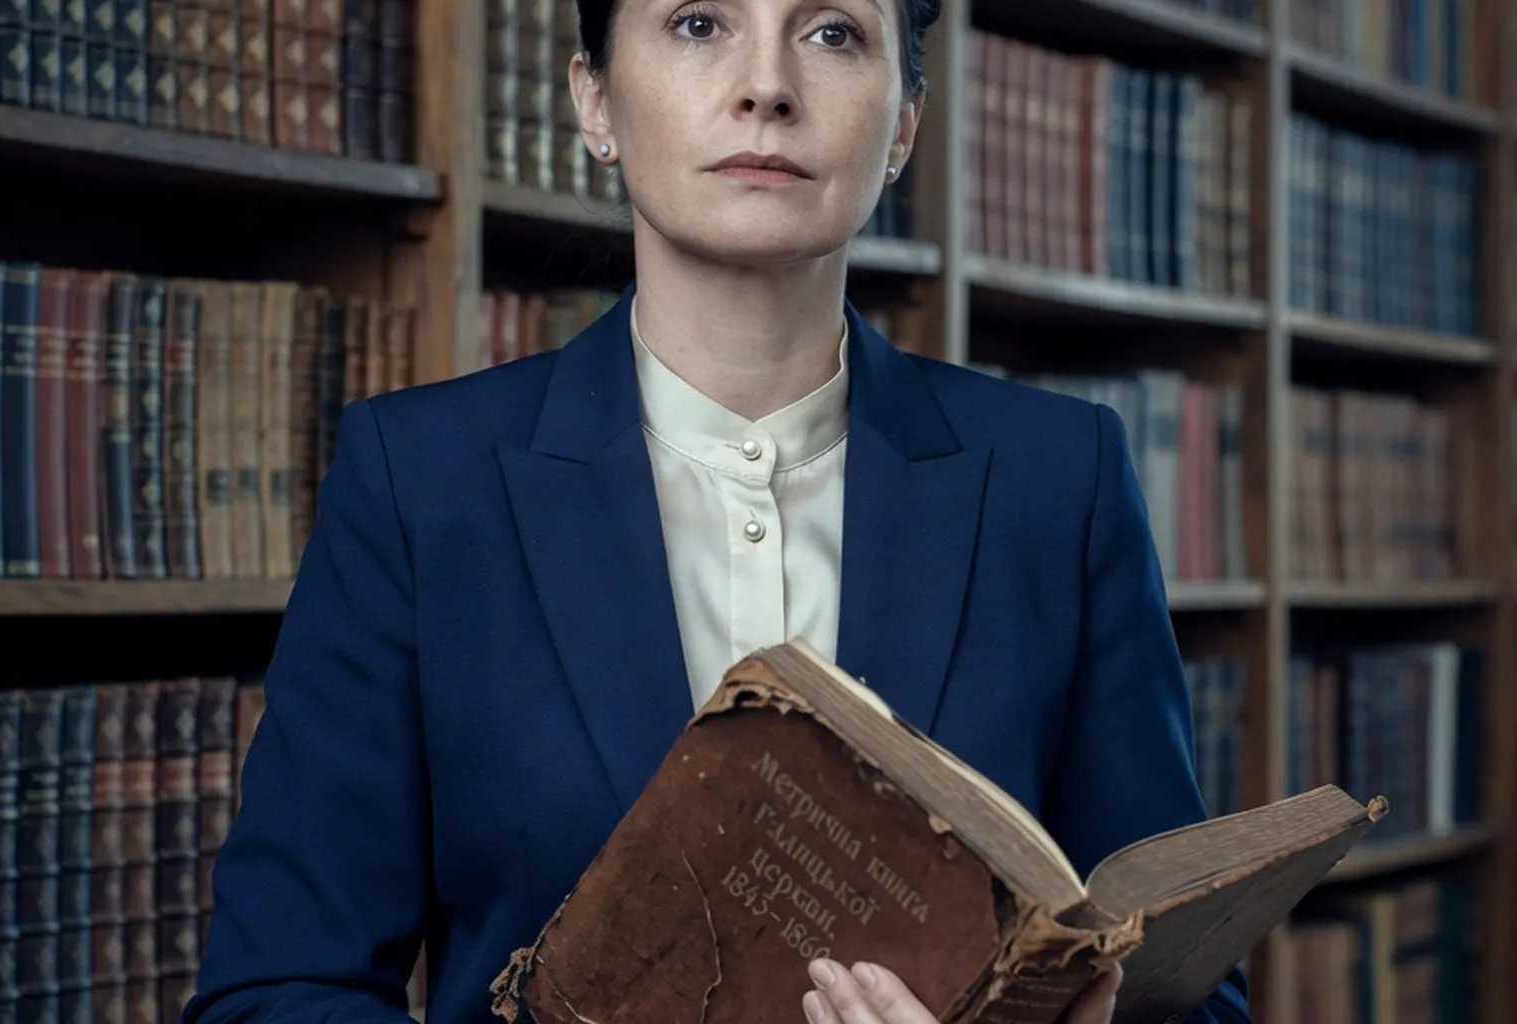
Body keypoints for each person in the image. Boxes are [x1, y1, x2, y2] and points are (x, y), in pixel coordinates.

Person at [182, 0, 1254, 1017]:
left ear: (904, 127)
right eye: (700, 24)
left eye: (833, 32)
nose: (767, 87)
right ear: (594, 100)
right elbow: (271, 993)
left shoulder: (1060, 481)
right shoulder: (416, 484)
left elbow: (1189, 989)